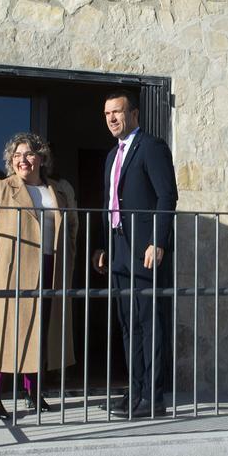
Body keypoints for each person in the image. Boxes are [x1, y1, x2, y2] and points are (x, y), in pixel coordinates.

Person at [0, 133, 76, 420]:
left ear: (42, 158)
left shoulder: (58, 192)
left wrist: (72, 260)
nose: (22, 160)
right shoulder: (1, 189)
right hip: (11, 272)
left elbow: (72, 228)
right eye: (16, 155)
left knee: (40, 330)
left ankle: (33, 391)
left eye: (29, 154)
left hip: (50, 269)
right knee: (4, 335)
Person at [93, 90, 178, 418]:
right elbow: (109, 206)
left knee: (148, 321)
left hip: (143, 248)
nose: (112, 118)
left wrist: (158, 241)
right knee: (129, 325)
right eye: (107, 114)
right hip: (118, 247)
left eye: (117, 111)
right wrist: (103, 246)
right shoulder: (112, 156)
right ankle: (136, 390)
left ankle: (154, 397)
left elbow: (166, 196)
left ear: (134, 114)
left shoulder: (152, 148)